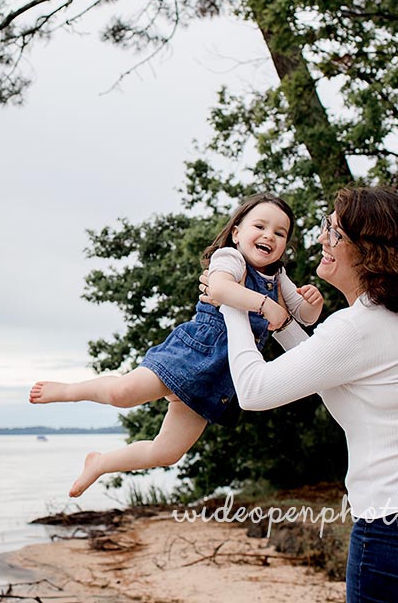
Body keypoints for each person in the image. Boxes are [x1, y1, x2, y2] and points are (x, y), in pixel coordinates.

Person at [201, 186, 398, 602]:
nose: (322, 238)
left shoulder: (356, 328)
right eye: (326, 226)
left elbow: (253, 390)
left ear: (370, 252)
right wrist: (280, 321)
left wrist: (231, 302)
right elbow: (323, 366)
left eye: (335, 234)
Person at [29, 192, 324, 497]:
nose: (269, 236)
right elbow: (220, 288)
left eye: (280, 233)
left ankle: (101, 462)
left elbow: (302, 316)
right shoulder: (230, 258)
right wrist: (265, 305)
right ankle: (69, 391)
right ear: (236, 232)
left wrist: (313, 303)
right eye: (260, 226)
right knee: (124, 393)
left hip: (219, 377)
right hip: (192, 352)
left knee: (167, 452)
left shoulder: (278, 276)